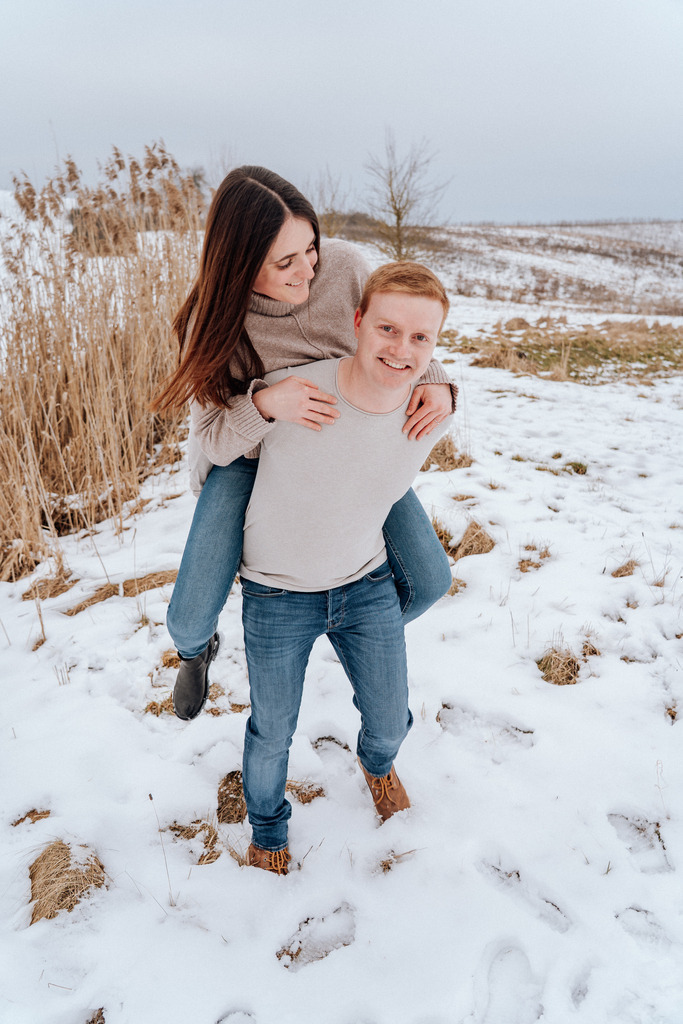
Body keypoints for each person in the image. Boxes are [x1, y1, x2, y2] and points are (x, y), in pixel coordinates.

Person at [151, 166, 457, 722]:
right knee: (191, 613)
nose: (308, 269)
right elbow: (212, 439)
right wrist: (266, 405)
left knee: (432, 579)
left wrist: (433, 375)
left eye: (310, 248)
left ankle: (347, 632)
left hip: (343, 443)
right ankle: (197, 653)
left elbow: (388, 326)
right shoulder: (213, 320)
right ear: (241, 265)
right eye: (285, 262)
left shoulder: (342, 267)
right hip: (253, 456)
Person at [238, 261, 453, 873]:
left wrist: (444, 385)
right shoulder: (294, 393)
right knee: (272, 731)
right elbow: (215, 447)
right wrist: (260, 405)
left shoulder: (428, 412)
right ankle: (268, 832)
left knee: (390, 719)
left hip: (365, 583)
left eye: (421, 339)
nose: (401, 350)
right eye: (387, 329)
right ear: (356, 322)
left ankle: (377, 766)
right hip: (277, 596)